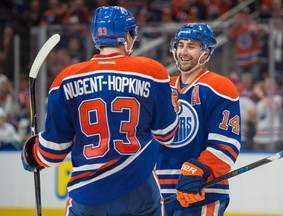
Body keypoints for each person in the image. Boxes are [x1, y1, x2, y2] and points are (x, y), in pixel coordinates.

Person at [21, 6, 179, 216]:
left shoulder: (65, 79)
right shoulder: (152, 71)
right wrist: (173, 108)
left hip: (88, 193)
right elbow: (167, 135)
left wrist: (32, 154)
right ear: (127, 36)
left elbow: (53, 151)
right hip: (140, 188)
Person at [155, 23, 241, 216]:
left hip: (202, 191)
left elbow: (227, 143)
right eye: (180, 45)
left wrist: (200, 169)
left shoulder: (218, 86)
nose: (183, 52)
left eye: (191, 46)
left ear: (206, 52)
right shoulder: (163, 87)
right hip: (160, 194)